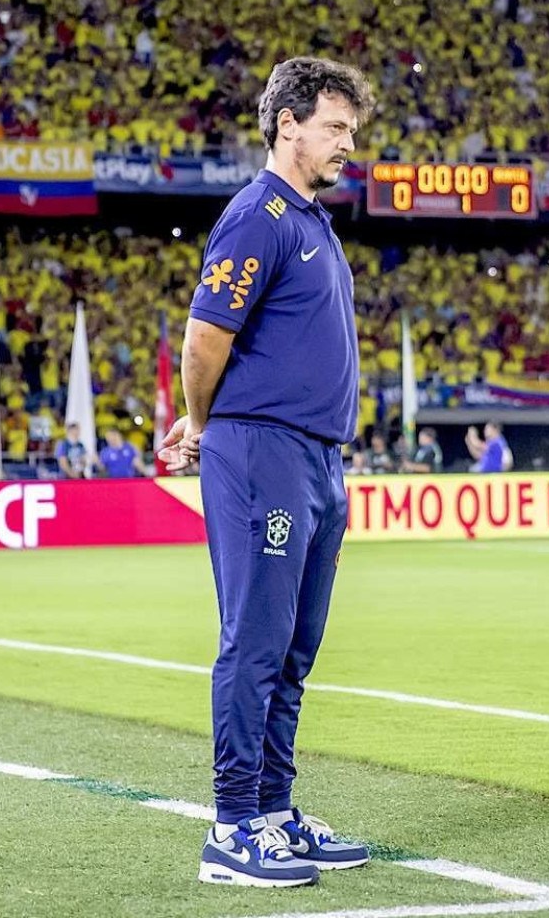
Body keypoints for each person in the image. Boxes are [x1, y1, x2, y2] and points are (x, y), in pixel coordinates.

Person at [159, 56, 375, 888]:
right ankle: (234, 826)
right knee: (255, 641)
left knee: (294, 647)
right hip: (265, 454)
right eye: (334, 127)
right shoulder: (259, 216)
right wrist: (210, 427)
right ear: (288, 123)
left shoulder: (311, 220)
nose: (346, 143)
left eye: (350, 130)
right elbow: (204, 336)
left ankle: (276, 812)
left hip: (316, 456)